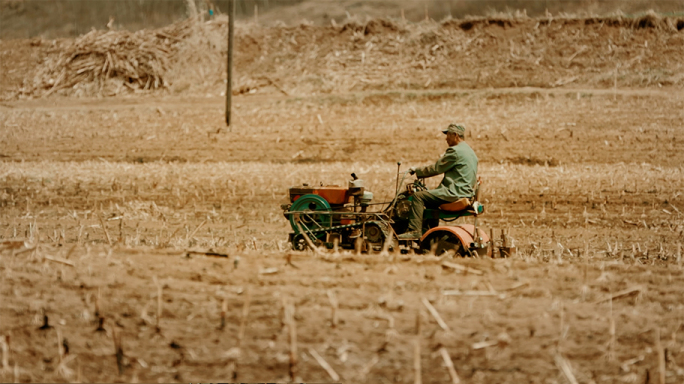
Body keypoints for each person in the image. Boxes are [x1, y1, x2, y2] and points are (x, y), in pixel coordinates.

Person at [396, 123, 479, 240]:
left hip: (455, 192)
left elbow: (436, 168)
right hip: (465, 192)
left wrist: (417, 171)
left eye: (448, 135)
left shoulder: (455, 151)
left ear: (455, 135)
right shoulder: (470, 152)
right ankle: (430, 231)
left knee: (418, 196)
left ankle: (414, 231)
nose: (446, 138)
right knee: (430, 200)